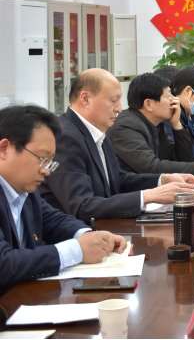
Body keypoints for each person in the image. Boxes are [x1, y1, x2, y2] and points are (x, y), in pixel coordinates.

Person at [39, 69, 194, 223]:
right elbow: (82, 206)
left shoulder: (96, 132)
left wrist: (163, 180)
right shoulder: (65, 137)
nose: (119, 108)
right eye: (113, 101)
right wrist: (147, 196)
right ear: (86, 99)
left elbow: (117, 179)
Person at [0, 105, 128, 297]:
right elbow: (3, 264)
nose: (46, 171)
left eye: (50, 162)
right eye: (41, 159)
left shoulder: (23, 188)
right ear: (4, 149)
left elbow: (53, 220)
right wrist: (76, 250)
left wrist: (91, 237)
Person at [106, 73, 194, 177]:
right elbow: (153, 167)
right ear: (148, 104)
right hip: (132, 192)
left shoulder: (157, 125)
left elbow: (184, 159)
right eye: (168, 96)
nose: (174, 101)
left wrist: (177, 125)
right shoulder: (126, 127)